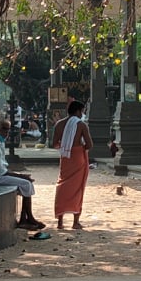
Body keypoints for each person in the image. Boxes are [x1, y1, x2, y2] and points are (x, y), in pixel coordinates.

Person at [0, 118, 46, 230]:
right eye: (4, 130)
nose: (6, 133)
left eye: (7, 130)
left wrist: (20, 176)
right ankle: (27, 218)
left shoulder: (0, 143)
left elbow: (3, 167)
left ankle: (26, 217)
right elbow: (0, 171)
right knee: (26, 183)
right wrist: (21, 176)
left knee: (27, 183)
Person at [53, 98, 93, 230]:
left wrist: (66, 146)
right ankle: (75, 222)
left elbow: (54, 144)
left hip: (65, 157)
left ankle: (60, 221)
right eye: (82, 111)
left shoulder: (59, 124)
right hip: (78, 157)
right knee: (78, 188)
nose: (82, 114)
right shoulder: (81, 125)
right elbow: (90, 144)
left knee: (62, 185)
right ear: (77, 111)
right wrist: (79, 145)